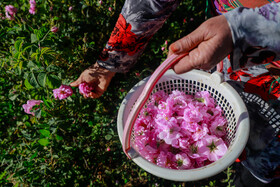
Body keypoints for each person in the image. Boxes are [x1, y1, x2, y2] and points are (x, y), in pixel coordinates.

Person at [70, 0, 280, 185]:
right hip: (221, 52)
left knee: (266, 158)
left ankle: (257, 174)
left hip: (271, 75)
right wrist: (111, 61)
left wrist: (239, 32)